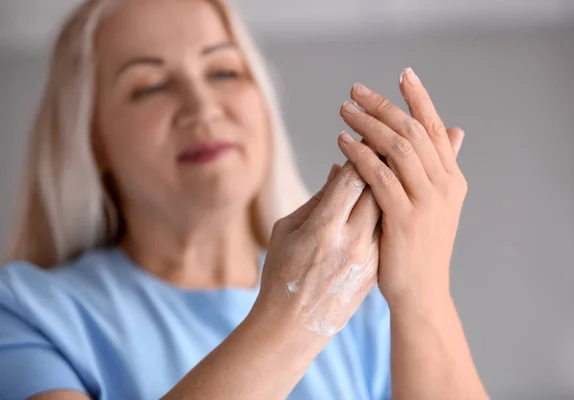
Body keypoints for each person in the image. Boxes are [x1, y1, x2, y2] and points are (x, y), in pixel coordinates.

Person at [0, 0, 488, 399]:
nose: (202, 106)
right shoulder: (27, 312)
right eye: (150, 86)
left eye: (223, 73)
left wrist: (424, 292)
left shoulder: (370, 310)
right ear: (93, 139)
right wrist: (299, 311)